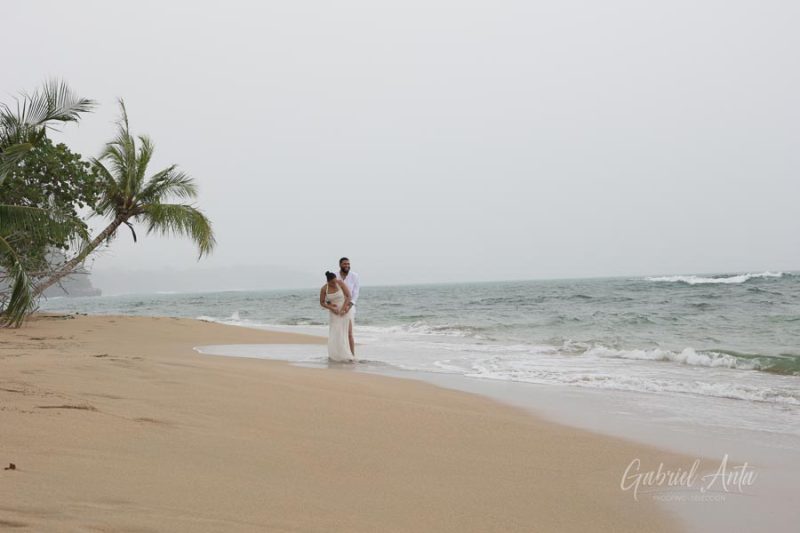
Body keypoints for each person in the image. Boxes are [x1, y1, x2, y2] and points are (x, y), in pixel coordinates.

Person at [320, 271, 355, 363]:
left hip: (344, 310)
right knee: (337, 334)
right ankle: (338, 355)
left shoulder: (340, 283)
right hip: (334, 313)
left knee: (348, 333)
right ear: (328, 282)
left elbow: (348, 296)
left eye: (335, 281)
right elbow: (322, 302)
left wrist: (343, 309)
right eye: (332, 282)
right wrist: (331, 307)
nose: (334, 283)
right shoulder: (324, 289)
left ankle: (351, 355)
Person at [336, 257, 360, 356]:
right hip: (337, 307)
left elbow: (355, 293)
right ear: (340, 265)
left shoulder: (355, 276)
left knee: (349, 333)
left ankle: (352, 355)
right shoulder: (335, 276)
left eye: (348, 264)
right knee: (339, 333)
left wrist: (348, 307)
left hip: (349, 307)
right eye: (345, 264)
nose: (347, 266)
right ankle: (340, 354)